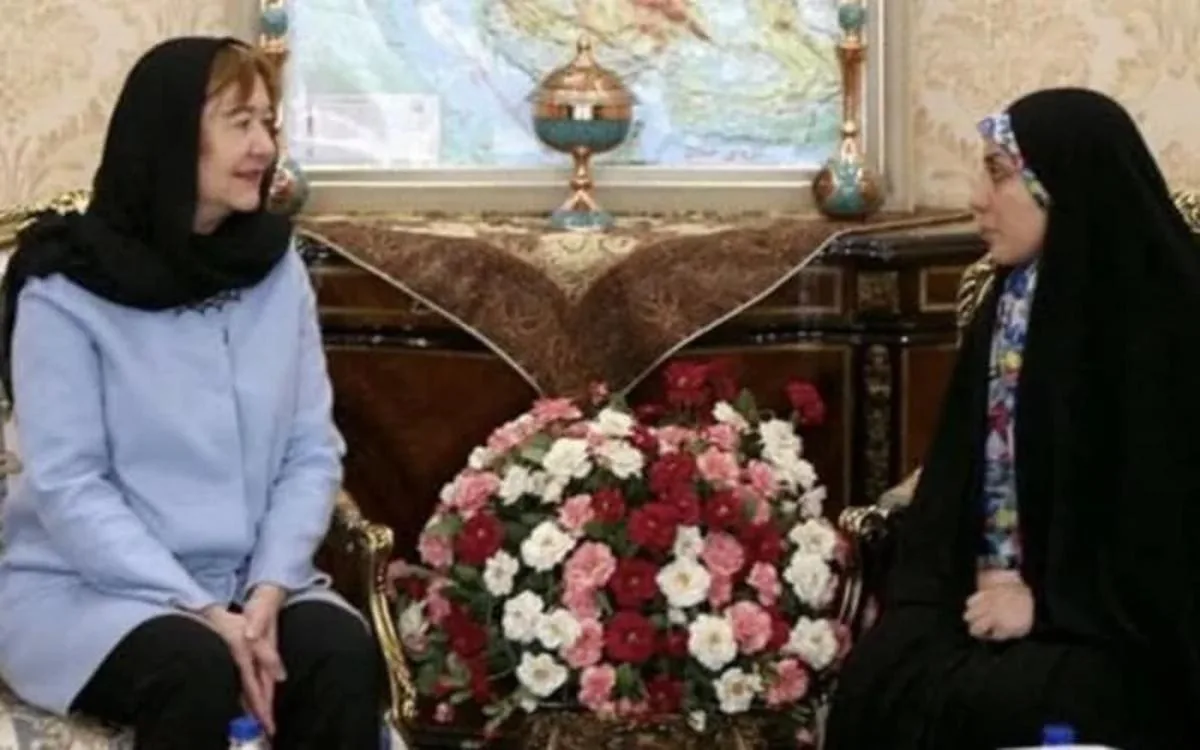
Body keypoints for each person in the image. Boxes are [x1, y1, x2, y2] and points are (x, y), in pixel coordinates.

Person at [0, 37, 382, 749]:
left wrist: (269, 588)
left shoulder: (275, 269)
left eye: (267, 122)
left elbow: (310, 451)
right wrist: (202, 608)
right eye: (239, 122)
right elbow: (69, 483)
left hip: (254, 579)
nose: (263, 145)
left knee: (340, 656)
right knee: (194, 669)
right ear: (172, 135)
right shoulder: (63, 287)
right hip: (90, 591)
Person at [824, 88, 1200, 750]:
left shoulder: (1164, 319)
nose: (976, 199)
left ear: (1062, 188)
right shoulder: (1010, 302)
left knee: (1024, 706)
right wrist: (960, 586)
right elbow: (951, 483)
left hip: (1123, 631)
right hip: (991, 597)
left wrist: (1047, 604)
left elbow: (1165, 530)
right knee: (887, 674)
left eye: (998, 174)